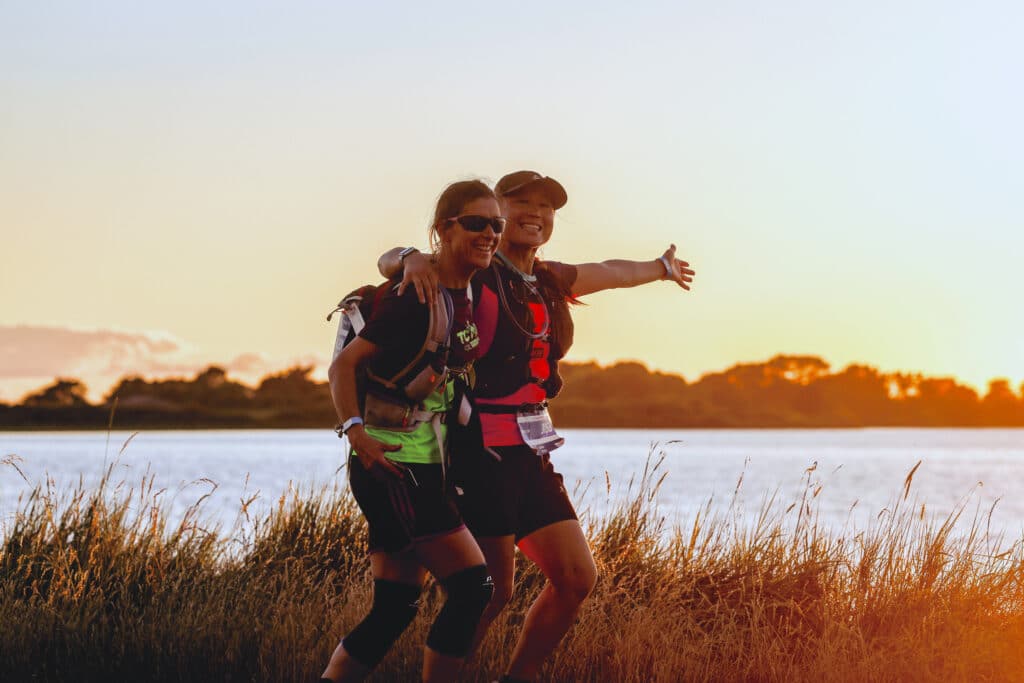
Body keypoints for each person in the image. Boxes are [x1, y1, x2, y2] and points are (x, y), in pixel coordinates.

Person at [378, 171, 695, 682]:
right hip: (478, 452)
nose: (535, 213)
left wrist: (659, 268)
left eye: (546, 206)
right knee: (490, 591)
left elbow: (611, 271)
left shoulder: (545, 278)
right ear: (497, 212)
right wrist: (411, 257)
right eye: (521, 202)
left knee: (575, 578)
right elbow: (389, 262)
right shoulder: (474, 269)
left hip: (530, 453)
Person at [320, 180, 505, 683]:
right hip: (392, 466)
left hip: (424, 462)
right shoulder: (414, 297)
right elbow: (343, 368)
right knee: (473, 588)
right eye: (475, 222)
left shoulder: (470, 286)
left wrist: (409, 255)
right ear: (444, 228)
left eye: (496, 225)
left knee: (395, 608)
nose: (489, 233)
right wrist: (355, 432)